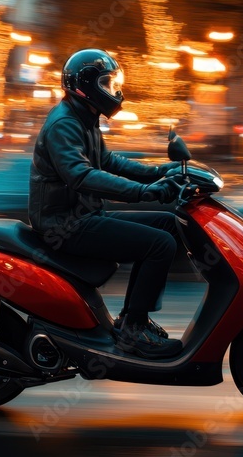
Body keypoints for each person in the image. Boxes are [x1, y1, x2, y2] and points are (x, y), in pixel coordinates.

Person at [28, 48, 184, 359]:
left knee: (169, 223)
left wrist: (156, 172)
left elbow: (107, 161)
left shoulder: (83, 117)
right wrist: (144, 192)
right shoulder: (65, 123)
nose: (114, 91)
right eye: (107, 83)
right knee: (160, 244)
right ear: (87, 85)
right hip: (66, 224)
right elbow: (81, 175)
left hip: (84, 214)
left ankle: (131, 318)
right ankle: (134, 329)